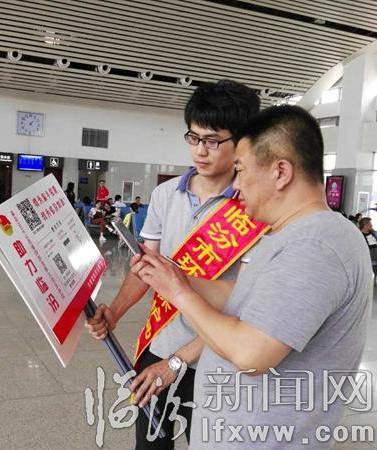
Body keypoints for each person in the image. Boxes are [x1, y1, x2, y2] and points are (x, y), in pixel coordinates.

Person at [133, 105, 372, 448]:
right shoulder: (292, 235)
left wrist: (178, 293)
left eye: (241, 170)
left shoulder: (316, 246)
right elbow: (241, 298)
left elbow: (251, 353)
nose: (236, 184)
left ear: (281, 172)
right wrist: (176, 277)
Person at [86, 79, 260, 448]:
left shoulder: (254, 207)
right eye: (193, 138)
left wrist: (178, 363)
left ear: (242, 142)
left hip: (217, 356)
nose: (200, 150)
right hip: (160, 345)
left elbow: (247, 303)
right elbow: (145, 268)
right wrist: (114, 312)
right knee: (150, 442)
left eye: (212, 141)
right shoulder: (166, 194)